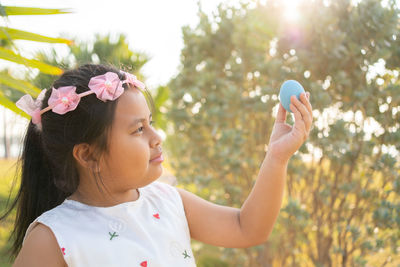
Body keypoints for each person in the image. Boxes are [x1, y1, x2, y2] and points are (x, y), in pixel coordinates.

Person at [3, 63, 312, 267]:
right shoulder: (53, 238)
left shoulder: (170, 201)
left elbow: (248, 228)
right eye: (138, 129)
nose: (156, 136)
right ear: (88, 155)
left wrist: (277, 157)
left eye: (151, 123)